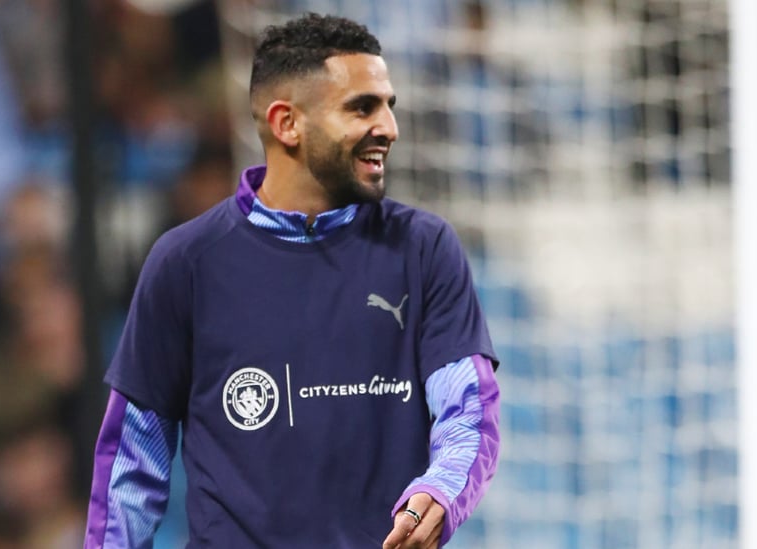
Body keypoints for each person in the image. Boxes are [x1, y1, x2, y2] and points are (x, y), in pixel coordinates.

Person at [84, 13, 500, 549]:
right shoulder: (185, 263)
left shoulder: (424, 249)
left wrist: (441, 492)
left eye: (388, 106)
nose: (389, 128)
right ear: (287, 124)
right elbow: (131, 467)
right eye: (362, 107)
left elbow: (470, 413)